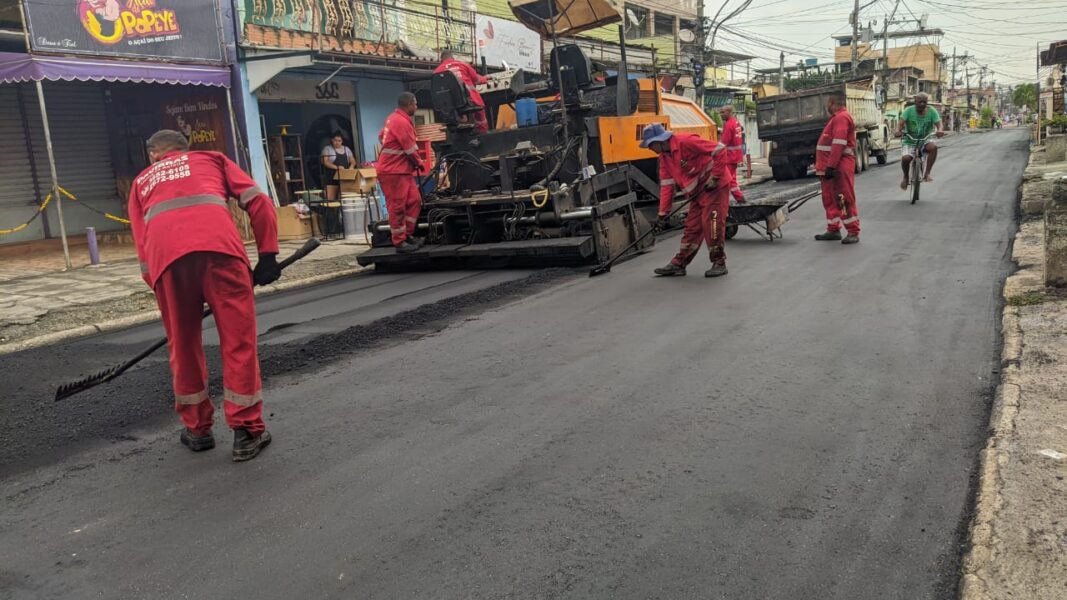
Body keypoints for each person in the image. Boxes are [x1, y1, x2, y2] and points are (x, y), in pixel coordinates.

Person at [128, 130, 279, 462]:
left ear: (153, 155)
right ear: (185, 149)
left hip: (166, 264)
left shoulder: (141, 182)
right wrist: (268, 253)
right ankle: (246, 431)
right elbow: (259, 201)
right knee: (238, 341)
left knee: (182, 345)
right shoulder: (212, 160)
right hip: (222, 255)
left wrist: (158, 283)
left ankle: (197, 430)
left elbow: (142, 247)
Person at [642, 123, 734, 278]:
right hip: (698, 193)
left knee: (712, 224)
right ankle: (679, 264)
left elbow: (720, 149)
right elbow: (667, 187)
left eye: (651, 144)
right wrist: (663, 214)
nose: (650, 148)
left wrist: (716, 176)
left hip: (714, 188)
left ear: (660, 141)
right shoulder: (664, 158)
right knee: (692, 228)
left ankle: (719, 262)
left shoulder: (685, 142)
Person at [377, 92, 426, 253]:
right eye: (416, 104)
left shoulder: (393, 118)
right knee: (397, 207)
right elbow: (410, 148)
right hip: (393, 172)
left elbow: (381, 136)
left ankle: (406, 235)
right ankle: (399, 242)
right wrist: (419, 163)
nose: (417, 107)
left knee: (414, 200)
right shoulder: (401, 122)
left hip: (401, 171)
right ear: (409, 104)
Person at [813, 90, 860, 244]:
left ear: (832, 102)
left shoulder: (841, 118)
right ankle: (833, 229)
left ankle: (853, 231)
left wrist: (831, 166)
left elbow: (838, 143)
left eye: (828, 102)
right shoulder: (836, 118)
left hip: (838, 167)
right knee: (829, 199)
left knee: (843, 198)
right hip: (830, 167)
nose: (827, 105)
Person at [896, 92, 944, 189]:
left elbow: (939, 124)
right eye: (920, 102)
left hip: (926, 138)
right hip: (910, 139)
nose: (922, 104)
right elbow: (900, 124)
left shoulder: (932, 111)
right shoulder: (908, 111)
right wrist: (898, 131)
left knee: (933, 147)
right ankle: (905, 177)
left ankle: (927, 174)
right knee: (906, 159)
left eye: (924, 102)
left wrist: (940, 130)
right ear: (915, 102)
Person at [434, 50, 489, 133]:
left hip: (449, 105)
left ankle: (461, 122)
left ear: (441, 61)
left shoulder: (436, 72)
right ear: (452, 58)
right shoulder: (462, 65)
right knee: (480, 111)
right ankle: (482, 131)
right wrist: (485, 78)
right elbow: (477, 80)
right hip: (469, 100)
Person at [718, 105, 746, 203]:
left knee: (728, 179)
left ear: (729, 112)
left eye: (723, 112)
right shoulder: (735, 122)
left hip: (730, 157)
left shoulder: (729, 124)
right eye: (720, 112)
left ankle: (739, 198)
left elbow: (723, 143)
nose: (720, 114)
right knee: (731, 178)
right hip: (736, 156)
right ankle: (738, 198)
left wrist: (712, 152)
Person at [321, 131, 356, 200]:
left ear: (342, 141)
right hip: (331, 178)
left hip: (344, 178)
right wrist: (337, 167)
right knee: (331, 200)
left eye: (339, 141)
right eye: (335, 140)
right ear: (332, 140)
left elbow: (353, 161)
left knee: (344, 199)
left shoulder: (347, 149)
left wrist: (351, 167)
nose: (337, 142)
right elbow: (325, 162)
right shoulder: (327, 149)